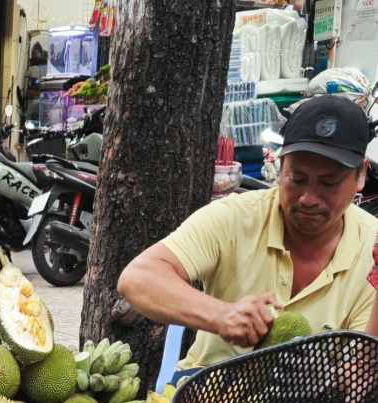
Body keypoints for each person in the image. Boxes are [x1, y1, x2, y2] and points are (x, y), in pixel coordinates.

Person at [117, 94, 377, 373]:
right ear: (279, 166)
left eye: (329, 183)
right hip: (209, 391)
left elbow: (364, 362)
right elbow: (137, 278)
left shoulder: (372, 247)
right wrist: (221, 315)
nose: (308, 198)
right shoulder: (235, 217)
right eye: (296, 179)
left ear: (361, 175)